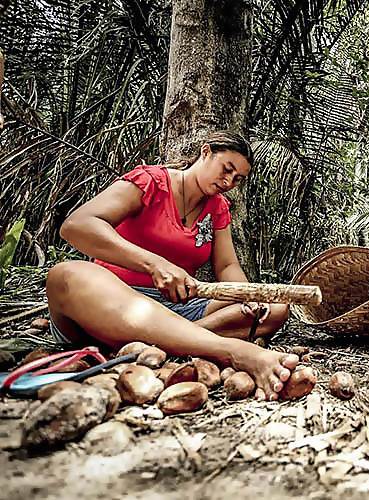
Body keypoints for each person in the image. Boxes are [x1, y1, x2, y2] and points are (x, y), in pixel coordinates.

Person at [46, 131, 298, 401]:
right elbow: (76, 226)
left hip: (179, 308)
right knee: (66, 275)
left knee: (274, 308)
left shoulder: (218, 207)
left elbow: (226, 265)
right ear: (205, 152)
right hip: (113, 303)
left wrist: (247, 295)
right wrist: (153, 264)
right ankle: (230, 349)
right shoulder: (150, 182)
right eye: (227, 169)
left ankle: (170, 341)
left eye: (237, 179)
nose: (228, 181)